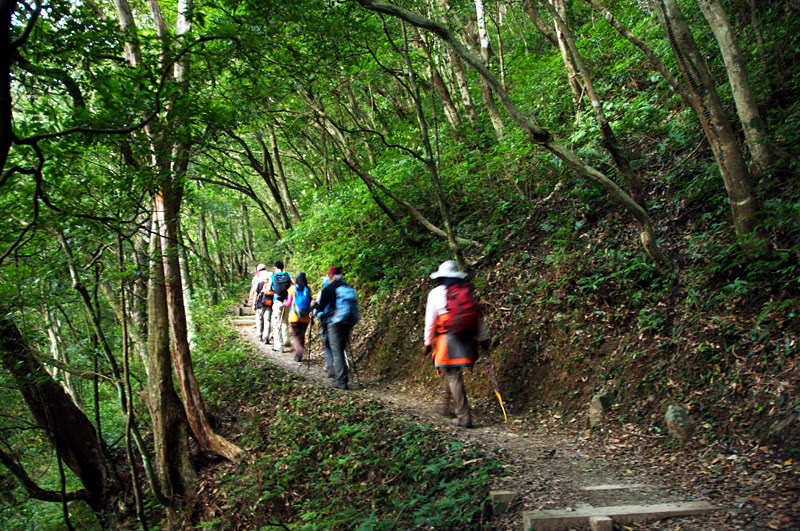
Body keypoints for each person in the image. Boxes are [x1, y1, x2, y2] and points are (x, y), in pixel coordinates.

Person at [423, 260, 489, 428]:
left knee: (453, 374)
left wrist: (427, 342)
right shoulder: (466, 291)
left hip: (448, 338)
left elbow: (430, 321)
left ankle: (464, 417)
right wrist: (484, 338)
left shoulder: (435, 293)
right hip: (466, 337)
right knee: (452, 372)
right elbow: (477, 316)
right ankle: (445, 406)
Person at [314, 266, 359, 390]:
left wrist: (314, 307)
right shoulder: (347, 287)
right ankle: (341, 375)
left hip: (335, 323)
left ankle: (341, 381)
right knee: (342, 349)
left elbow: (320, 307)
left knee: (337, 351)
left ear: (330, 276)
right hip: (347, 322)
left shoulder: (329, 289)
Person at [285, 272, 313, 362]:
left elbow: (288, 303)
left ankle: (298, 354)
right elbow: (311, 302)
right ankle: (300, 354)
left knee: (295, 336)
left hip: (294, 316)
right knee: (301, 335)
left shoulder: (292, 289)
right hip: (305, 317)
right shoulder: (307, 289)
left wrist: (284, 302)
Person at [270, 261, 292, 353]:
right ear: (283, 267)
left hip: (277, 301)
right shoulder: (288, 275)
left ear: (275, 267)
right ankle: (286, 340)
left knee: (276, 323)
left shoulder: (273, 277)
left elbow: (268, 289)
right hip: (286, 301)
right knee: (285, 321)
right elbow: (294, 285)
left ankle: (279, 346)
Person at [250, 264, 273, 344]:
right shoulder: (271, 285)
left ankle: (259, 334)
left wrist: (253, 303)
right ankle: (266, 337)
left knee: (259, 319)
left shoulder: (259, 283)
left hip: (260, 304)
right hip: (269, 304)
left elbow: (255, 294)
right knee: (267, 320)